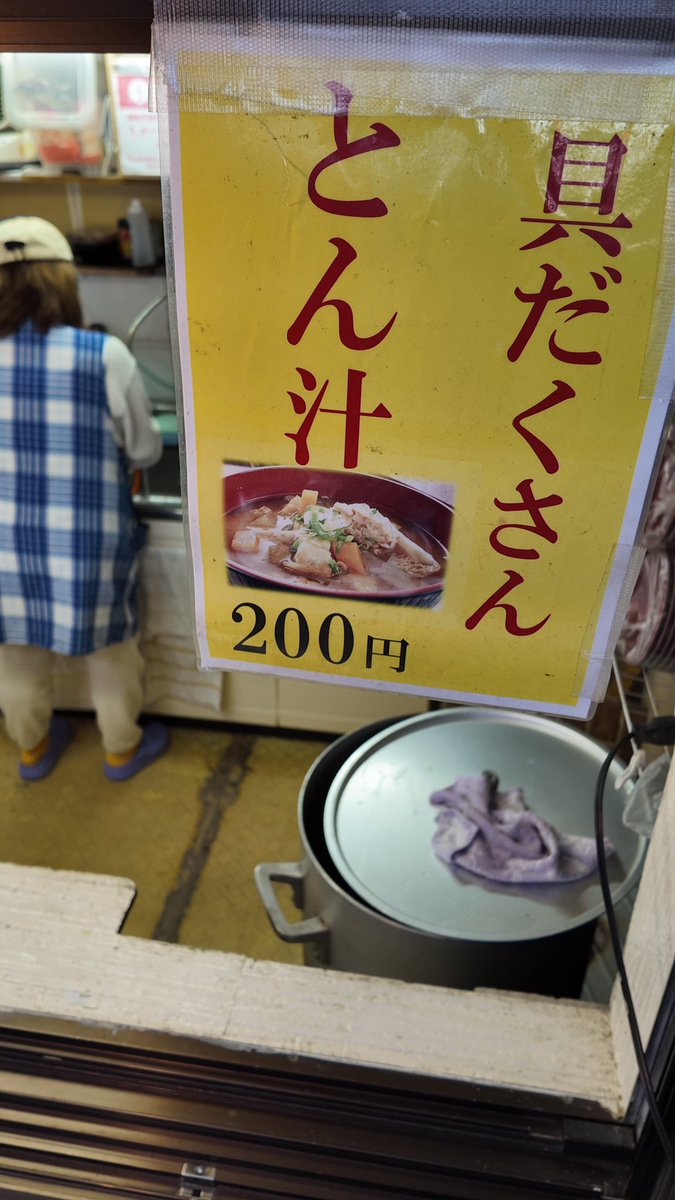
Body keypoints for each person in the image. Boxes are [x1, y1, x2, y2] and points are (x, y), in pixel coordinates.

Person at [0, 215, 170, 782]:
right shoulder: (103, 356)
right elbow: (145, 450)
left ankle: (33, 751)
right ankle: (121, 750)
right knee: (111, 648)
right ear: (63, 282)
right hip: (86, 539)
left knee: (14, 651)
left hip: (3, 543)